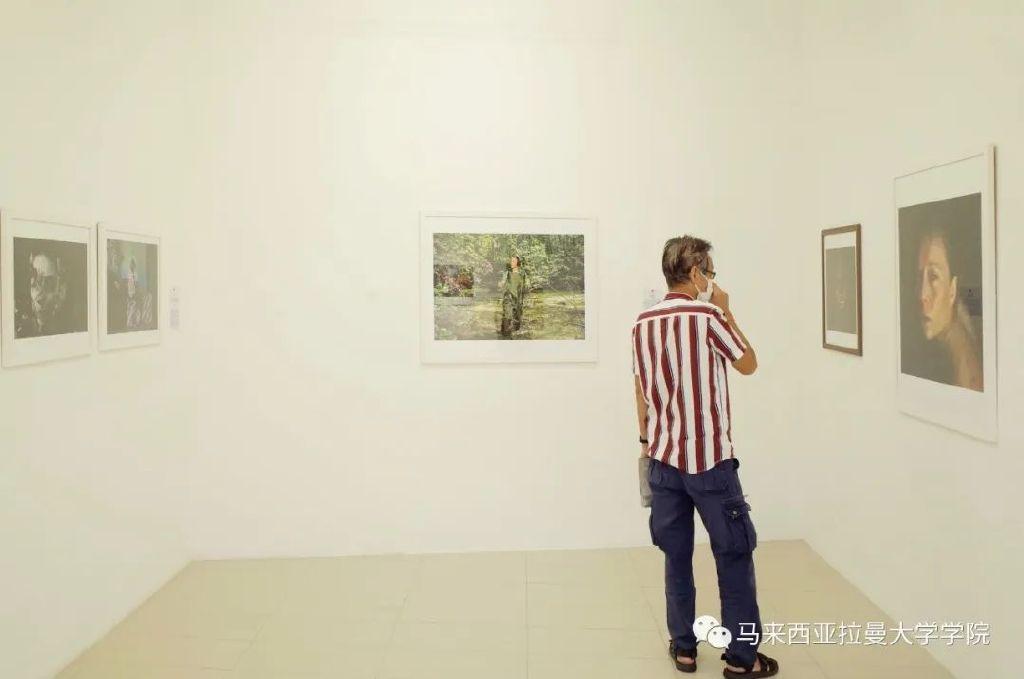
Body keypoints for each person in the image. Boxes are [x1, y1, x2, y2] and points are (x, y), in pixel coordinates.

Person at [631, 236, 779, 678]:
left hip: (662, 461)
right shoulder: (709, 315)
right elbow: (748, 363)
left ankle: (684, 650)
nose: (711, 280)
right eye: (709, 273)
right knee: (733, 555)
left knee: (675, 556)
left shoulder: (641, 323)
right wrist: (726, 308)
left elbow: (640, 389)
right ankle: (742, 659)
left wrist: (645, 443)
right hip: (711, 461)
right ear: (695, 273)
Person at [915, 230, 982, 391]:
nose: (923, 295)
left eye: (933, 277)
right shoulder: (947, 357)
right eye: (920, 277)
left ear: (953, 289)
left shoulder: (967, 371)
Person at [499, 255, 527, 338]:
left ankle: (515, 333)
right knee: (507, 314)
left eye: (513, 261)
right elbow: (503, 282)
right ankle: (505, 334)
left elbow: (524, 286)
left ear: (518, 263)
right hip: (508, 297)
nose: (511, 262)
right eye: (511, 261)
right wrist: (501, 284)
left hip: (518, 298)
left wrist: (522, 299)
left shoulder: (522, 274)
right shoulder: (507, 273)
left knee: (517, 316)